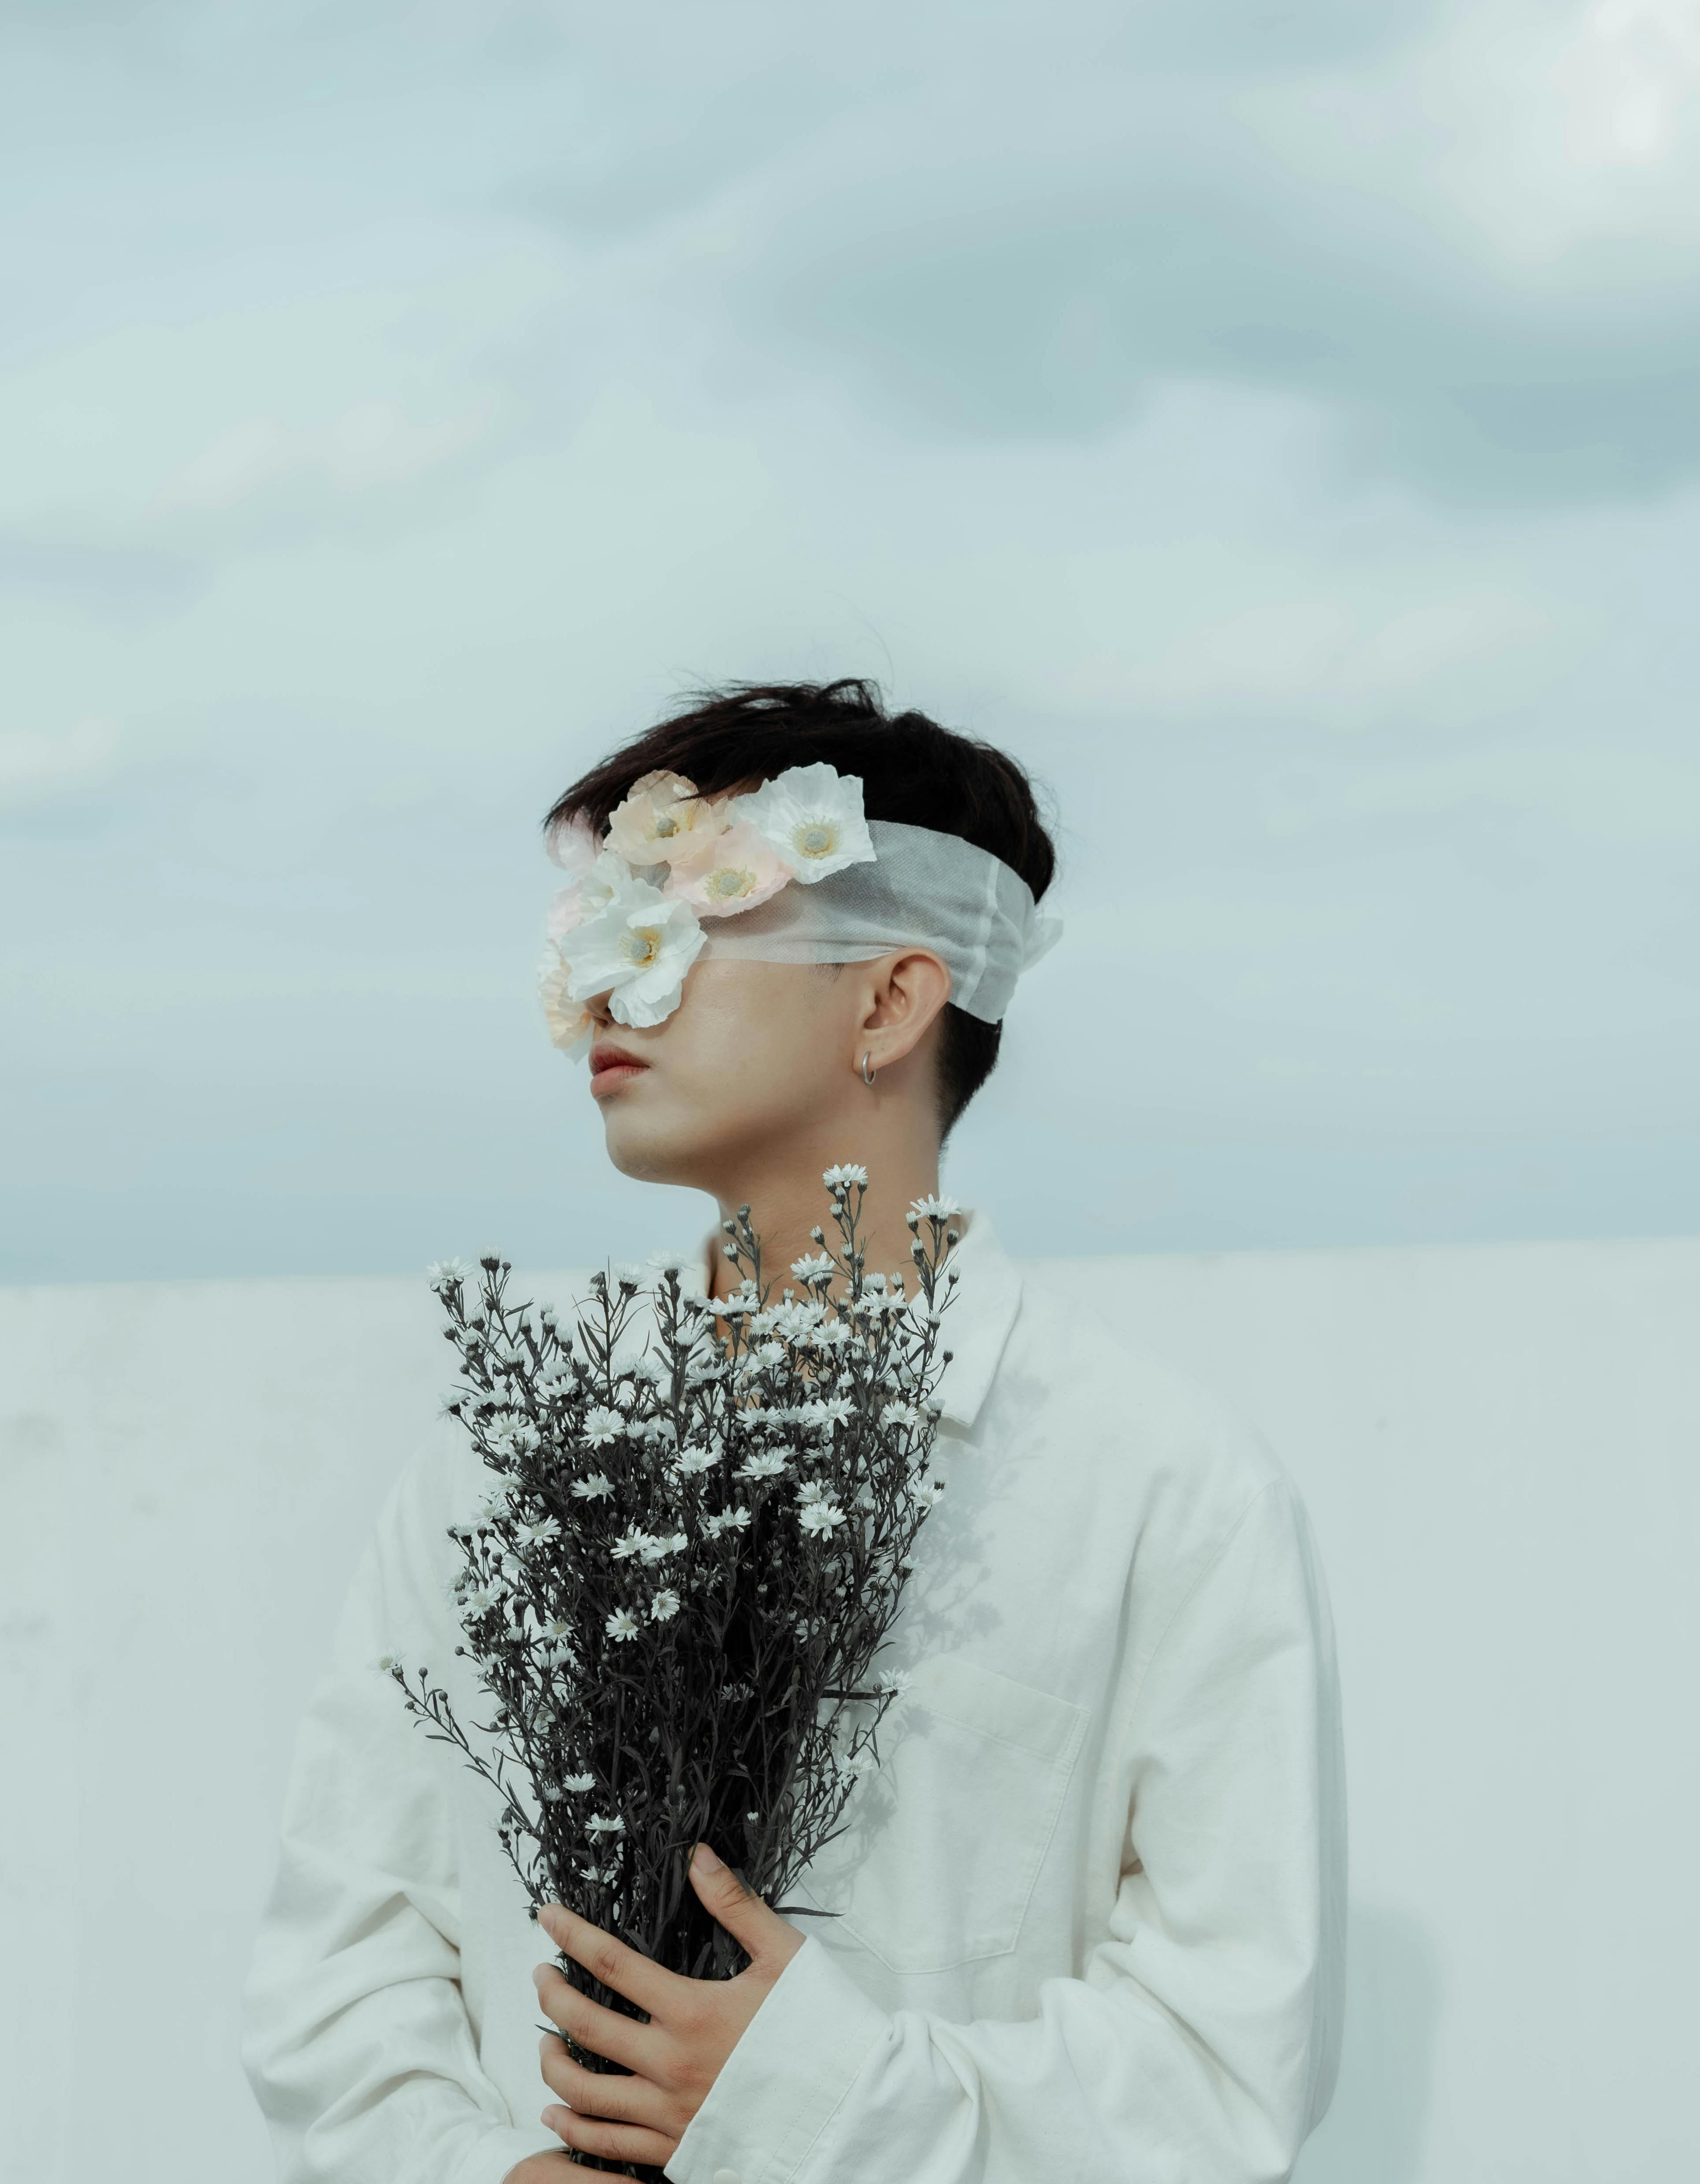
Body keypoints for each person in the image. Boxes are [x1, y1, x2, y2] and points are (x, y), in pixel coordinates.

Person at [242, 677, 1345, 2184]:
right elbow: (341, 1965)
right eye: (607, 922)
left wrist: (808, 2094)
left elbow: (1229, 2074)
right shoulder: (493, 1461)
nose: (614, 983)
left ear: (891, 1000)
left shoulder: (1154, 1487)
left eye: (694, 918)